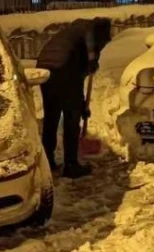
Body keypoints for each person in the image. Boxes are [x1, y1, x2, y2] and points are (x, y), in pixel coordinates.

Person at [36, 17, 113, 178]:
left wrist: (82, 104)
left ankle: (47, 161)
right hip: (64, 66)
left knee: (52, 115)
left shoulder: (71, 33)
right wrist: (92, 57)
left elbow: (78, 80)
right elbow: (75, 77)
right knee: (71, 118)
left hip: (44, 66)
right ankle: (71, 165)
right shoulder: (89, 31)